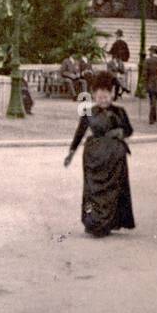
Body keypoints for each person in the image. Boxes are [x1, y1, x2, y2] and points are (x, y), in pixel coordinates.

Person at [64, 73, 135, 238]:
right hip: (94, 158)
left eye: (106, 94)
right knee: (93, 191)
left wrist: (121, 132)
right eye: (99, 95)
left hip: (114, 159)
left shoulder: (120, 112)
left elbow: (129, 130)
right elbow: (79, 133)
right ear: (94, 95)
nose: (102, 98)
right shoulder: (88, 112)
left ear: (112, 95)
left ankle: (109, 222)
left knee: (113, 191)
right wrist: (71, 153)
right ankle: (94, 223)